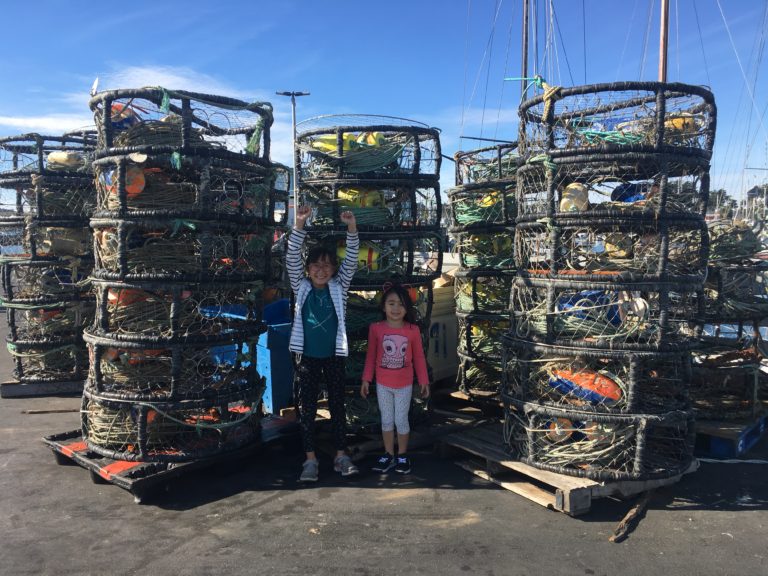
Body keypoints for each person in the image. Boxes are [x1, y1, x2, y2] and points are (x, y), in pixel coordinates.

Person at [287, 205, 360, 482]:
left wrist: (351, 228)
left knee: (337, 405)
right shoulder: (301, 286)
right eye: (316, 265)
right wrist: (300, 224)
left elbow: (351, 259)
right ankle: (310, 461)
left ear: (333, 269)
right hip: (306, 358)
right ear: (308, 269)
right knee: (306, 407)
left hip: (333, 356)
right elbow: (292, 257)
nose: (321, 269)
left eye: (327, 264)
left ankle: (341, 456)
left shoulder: (339, 287)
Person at [360, 282, 430, 474]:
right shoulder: (376, 329)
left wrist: (423, 381)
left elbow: (419, 358)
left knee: (401, 420)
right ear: (383, 307)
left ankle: (403, 454)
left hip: (404, 385)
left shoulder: (412, 330)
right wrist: (366, 379)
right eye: (391, 303)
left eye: (401, 304)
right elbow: (371, 356)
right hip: (383, 384)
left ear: (407, 308)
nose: (396, 308)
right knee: (387, 420)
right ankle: (388, 454)